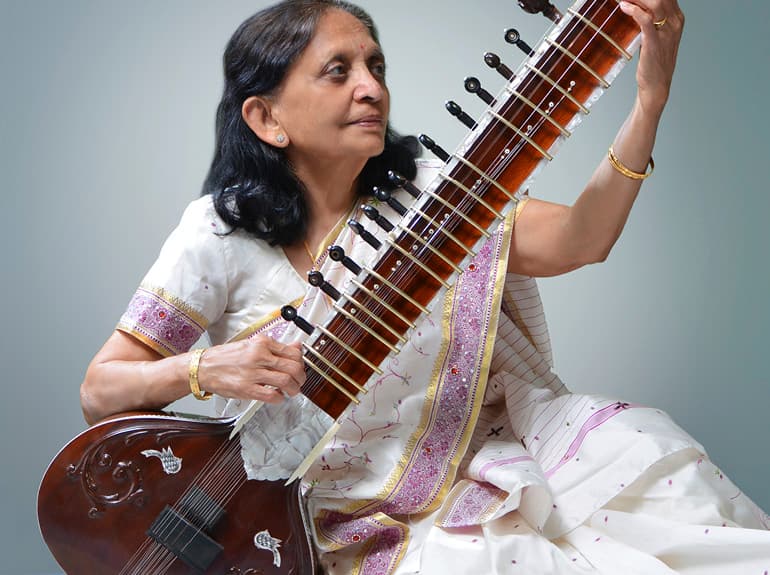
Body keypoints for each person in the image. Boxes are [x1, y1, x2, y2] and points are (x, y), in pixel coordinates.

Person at [80, 1, 770, 573]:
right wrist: (207, 365)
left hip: (471, 465)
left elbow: (581, 240)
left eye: (376, 66)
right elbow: (100, 390)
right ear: (267, 118)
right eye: (338, 71)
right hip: (316, 517)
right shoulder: (218, 234)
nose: (372, 87)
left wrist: (649, 101)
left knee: (644, 460)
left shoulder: (434, 206)